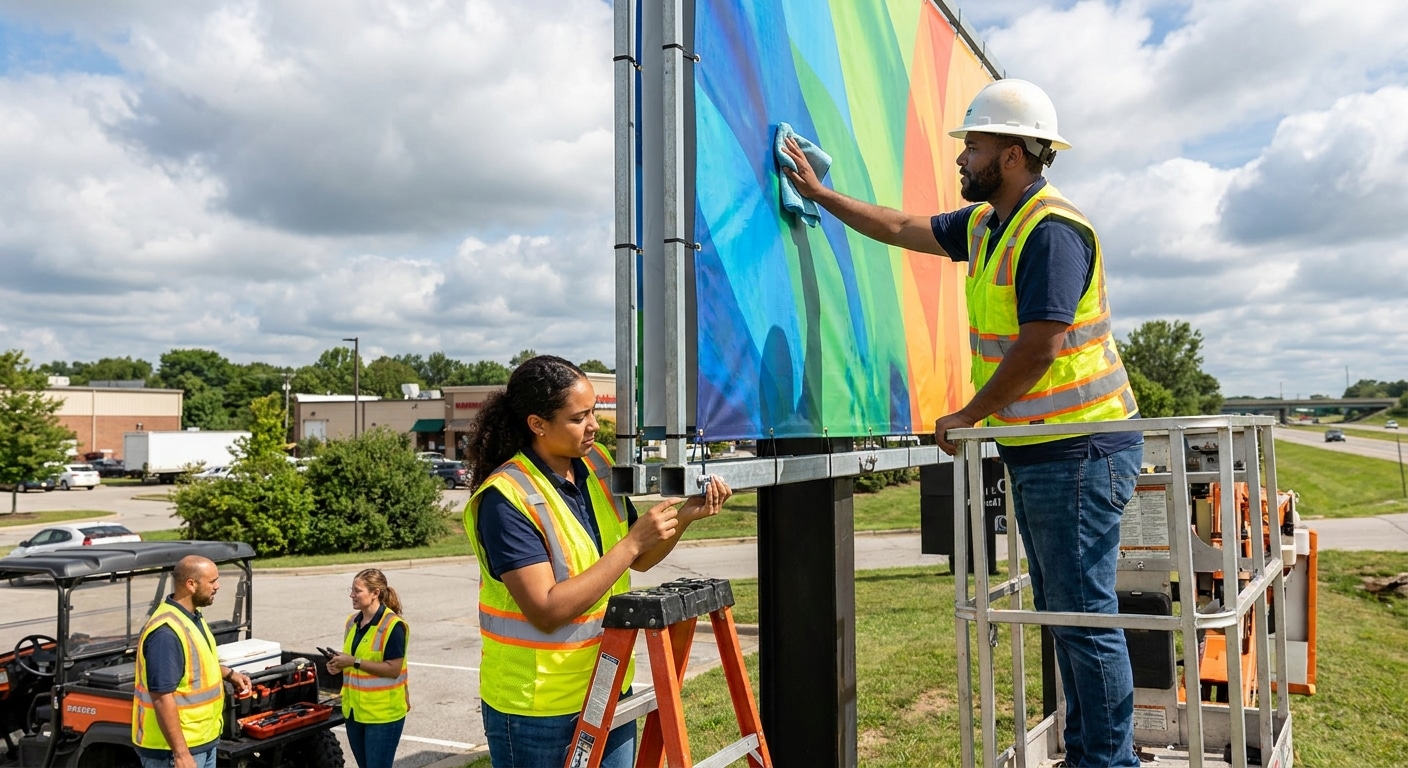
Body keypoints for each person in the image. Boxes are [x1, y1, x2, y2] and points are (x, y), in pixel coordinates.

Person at [783, 79, 1142, 767]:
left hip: (1081, 445)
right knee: (1069, 612)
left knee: (1083, 615)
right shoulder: (986, 224)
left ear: (1012, 154)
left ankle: (1108, 761)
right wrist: (823, 198)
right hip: (1046, 446)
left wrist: (970, 413)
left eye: (972, 145)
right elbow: (900, 226)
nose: (961, 158)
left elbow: (1042, 345)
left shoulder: (1052, 231)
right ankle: (1096, 753)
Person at [464, 355, 732, 768]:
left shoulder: (597, 463)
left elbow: (638, 562)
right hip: (538, 708)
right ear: (537, 424)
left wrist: (684, 517)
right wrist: (630, 544)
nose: (593, 425)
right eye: (578, 417)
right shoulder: (505, 498)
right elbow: (547, 610)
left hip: (606, 684)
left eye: (594, 411)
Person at [132, 555, 252, 768]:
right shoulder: (165, 633)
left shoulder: (192, 617)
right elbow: (161, 696)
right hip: (172, 751)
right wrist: (181, 754)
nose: (218, 586)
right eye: (212, 581)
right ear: (191, 584)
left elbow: (195, 666)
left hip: (201, 742)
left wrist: (229, 674)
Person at [325, 568, 409, 768]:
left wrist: (352, 662)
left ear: (375, 594)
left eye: (357, 590)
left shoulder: (393, 626)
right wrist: (338, 664)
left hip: (383, 715)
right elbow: (355, 660)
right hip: (355, 712)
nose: (351, 595)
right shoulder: (351, 622)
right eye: (351, 589)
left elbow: (393, 669)